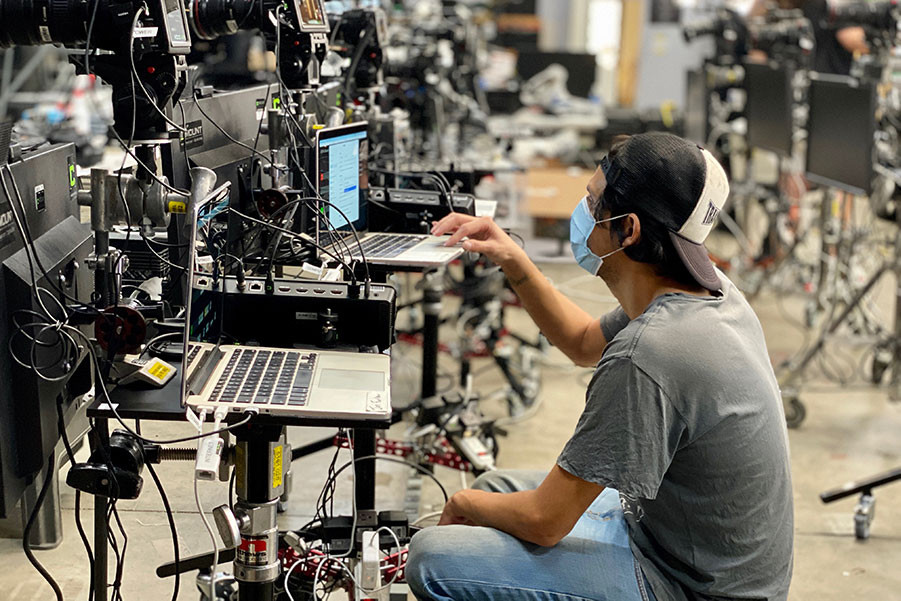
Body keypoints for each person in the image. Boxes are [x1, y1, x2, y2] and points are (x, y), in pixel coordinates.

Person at [405, 133, 794, 601]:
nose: (581, 211)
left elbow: (545, 522)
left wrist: (462, 502)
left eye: (592, 201)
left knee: (433, 556)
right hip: (674, 539)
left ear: (628, 230)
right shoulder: (705, 289)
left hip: (692, 587)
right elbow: (584, 341)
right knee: (495, 485)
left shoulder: (652, 352)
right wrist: (510, 257)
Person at [750, 0, 869, 75]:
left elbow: (851, 37)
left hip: (820, 80)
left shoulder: (823, 9)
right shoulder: (769, 9)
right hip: (782, 83)